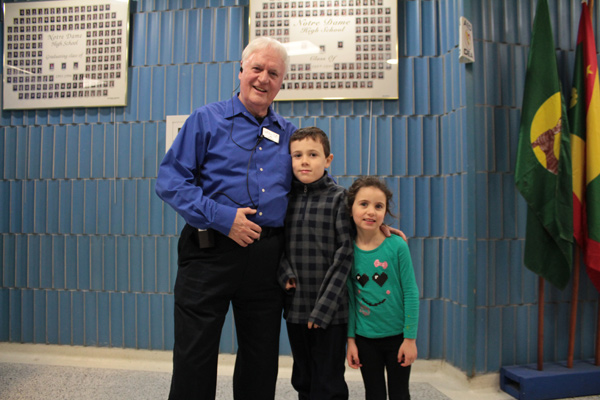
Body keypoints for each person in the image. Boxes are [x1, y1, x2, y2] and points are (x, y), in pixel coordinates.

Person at [155, 37, 296, 399]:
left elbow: (314, 188)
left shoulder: (289, 134)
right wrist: (222, 217)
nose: (264, 78)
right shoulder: (207, 119)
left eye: (274, 73)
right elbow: (171, 180)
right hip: (209, 251)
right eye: (257, 69)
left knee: (261, 357)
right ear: (241, 71)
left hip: (267, 258)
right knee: (195, 354)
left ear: (282, 83)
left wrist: (366, 220)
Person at [278, 127, 353, 399]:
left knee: (329, 378)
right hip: (297, 305)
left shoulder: (340, 199)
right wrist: (284, 274)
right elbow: (276, 246)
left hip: (331, 311)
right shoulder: (284, 199)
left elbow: (346, 253)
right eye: (297, 155)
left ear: (328, 159)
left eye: (313, 154)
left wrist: (324, 308)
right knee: (303, 376)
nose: (305, 161)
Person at [345, 177, 420, 400]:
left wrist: (410, 339)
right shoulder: (347, 250)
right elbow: (349, 299)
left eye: (379, 206)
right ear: (351, 209)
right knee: (374, 393)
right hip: (365, 339)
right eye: (364, 204)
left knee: (399, 393)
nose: (371, 212)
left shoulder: (397, 246)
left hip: (398, 337)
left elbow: (411, 292)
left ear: (386, 212)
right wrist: (351, 341)